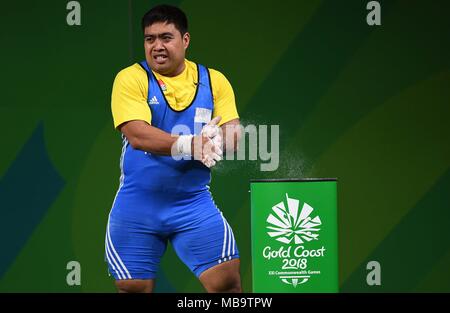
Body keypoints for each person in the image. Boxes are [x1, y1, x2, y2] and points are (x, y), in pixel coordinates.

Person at [105, 4, 242, 293]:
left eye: (166, 37)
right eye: (149, 39)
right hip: (138, 205)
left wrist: (219, 139)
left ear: (185, 40)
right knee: (133, 288)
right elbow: (137, 135)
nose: (157, 46)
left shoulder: (213, 80)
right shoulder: (131, 78)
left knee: (226, 283)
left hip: (192, 203)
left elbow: (233, 133)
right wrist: (192, 144)